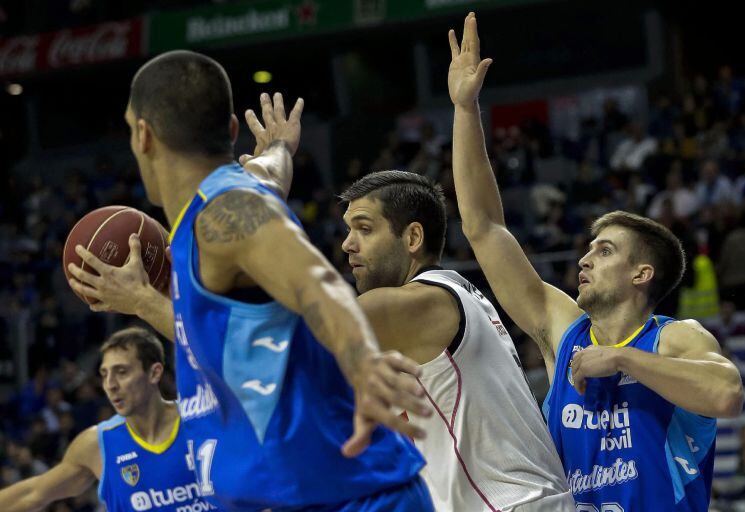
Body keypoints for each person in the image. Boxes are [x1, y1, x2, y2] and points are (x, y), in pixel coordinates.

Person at [67, 50, 432, 511]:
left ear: (143, 135)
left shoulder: (225, 212)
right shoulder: (236, 196)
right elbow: (271, 169)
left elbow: (315, 279)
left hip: (353, 498)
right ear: (233, 132)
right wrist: (280, 147)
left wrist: (361, 361)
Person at [448, 12, 743, 511]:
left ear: (641, 274)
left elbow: (727, 393)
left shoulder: (674, 338)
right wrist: (465, 110)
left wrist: (623, 358)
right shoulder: (564, 332)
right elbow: (484, 228)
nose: (584, 258)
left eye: (604, 251)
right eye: (589, 247)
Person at [338, 170, 574, 511]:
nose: (347, 243)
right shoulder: (461, 296)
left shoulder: (419, 303)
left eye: (364, 228)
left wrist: (261, 196)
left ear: (413, 237)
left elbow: (288, 337)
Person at [0, 327, 206, 512]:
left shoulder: (202, 419)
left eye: (122, 372)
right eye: (104, 374)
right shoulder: (97, 445)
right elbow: (33, 494)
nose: (110, 385)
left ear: (154, 373)